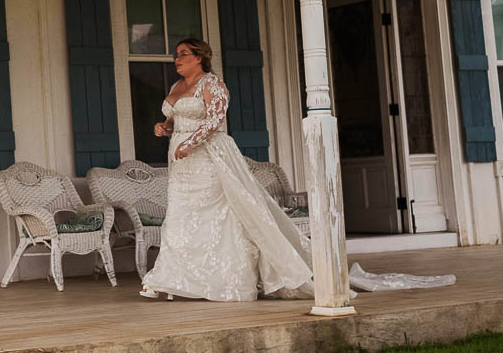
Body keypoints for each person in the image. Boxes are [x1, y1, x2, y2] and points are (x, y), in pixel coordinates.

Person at [138, 38, 453, 302]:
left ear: (199, 57)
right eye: (176, 55)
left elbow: (214, 120)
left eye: (183, 54)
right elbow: (178, 117)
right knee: (180, 215)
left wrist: (190, 140)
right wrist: (166, 128)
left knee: (218, 214)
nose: (176, 59)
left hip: (209, 158)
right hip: (181, 163)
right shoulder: (178, 85)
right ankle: (173, 278)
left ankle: (227, 280)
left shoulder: (213, 84)